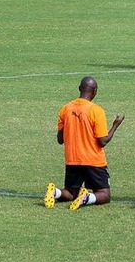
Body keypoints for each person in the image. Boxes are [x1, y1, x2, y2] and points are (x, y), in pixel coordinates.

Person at [46, 77, 124, 208]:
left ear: (79, 88)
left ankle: (55, 192)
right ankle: (87, 197)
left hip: (72, 160)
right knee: (105, 194)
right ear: (94, 91)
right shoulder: (96, 110)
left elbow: (60, 140)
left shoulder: (65, 109)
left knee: (71, 193)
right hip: (93, 160)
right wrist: (115, 125)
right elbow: (102, 141)